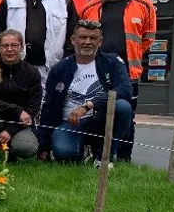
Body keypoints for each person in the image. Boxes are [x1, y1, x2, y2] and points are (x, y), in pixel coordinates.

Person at [80, 0, 155, 162]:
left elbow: (148, 38)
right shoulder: (89, 8)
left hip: (128, 73)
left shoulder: (144, 5)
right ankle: (97, 155)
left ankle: (123, 158)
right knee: (96, 113)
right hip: (96, 74)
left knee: (126, 115)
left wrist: (132, 56)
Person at [38, 19, 133, 166]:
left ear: (100, 42)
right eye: (83, 37)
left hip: (100, 119)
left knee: (122, 106)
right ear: (73, 40)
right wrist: (43, 147)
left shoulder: (113, 62)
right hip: (70, 123)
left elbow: (126, 89)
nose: (88, 42)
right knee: (64, 154)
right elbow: (48, 107)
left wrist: (89, 105)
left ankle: (106, 156)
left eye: (93, 38)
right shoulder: (59, 69)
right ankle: (84, 152)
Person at [0, 0, 78, 86]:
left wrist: (67, 60)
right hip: (18, 69)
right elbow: (0, 32)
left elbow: (73, 33)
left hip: (54, 69)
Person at [0, 29, 42, 161]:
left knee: (26, 148)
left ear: (21, 47)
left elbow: (33, 108)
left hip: (19, 124)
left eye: (14, 45)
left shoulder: (32, 72)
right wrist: (17, 110)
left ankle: (12, 152)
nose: (9, 49)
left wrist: (11, 130)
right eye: (5, 46)